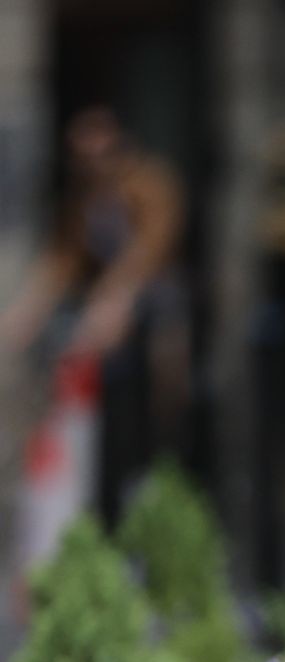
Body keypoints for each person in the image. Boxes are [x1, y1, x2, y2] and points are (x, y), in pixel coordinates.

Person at [0, 104, 188, 525]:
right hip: (110, 321)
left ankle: (153, 480)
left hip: (152, 308)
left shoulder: (149, 183)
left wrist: (113, 297)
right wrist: (25, 312)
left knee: (154, 401)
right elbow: (63, 261)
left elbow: (148, 248)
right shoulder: (84, 200)